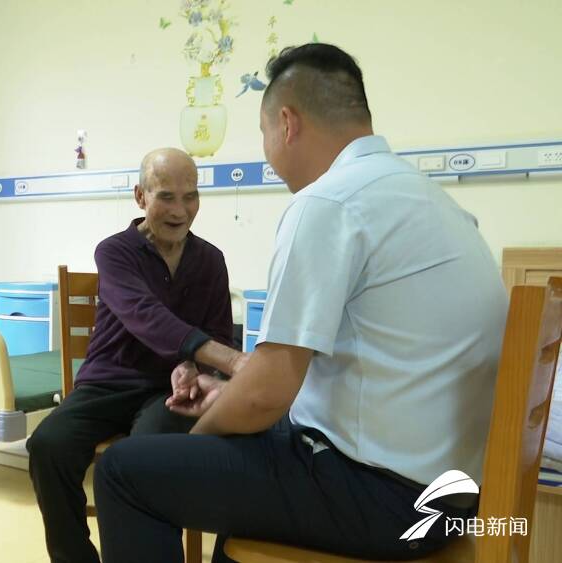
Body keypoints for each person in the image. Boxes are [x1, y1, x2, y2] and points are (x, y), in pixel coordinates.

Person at [93, 43, 508, 563]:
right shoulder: (432, 199)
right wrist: (232, 394)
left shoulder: (328, 202)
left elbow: (268, 393)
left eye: (263, 133)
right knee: (236, 466)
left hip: (384, 499)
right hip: (452, 496)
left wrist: (199, 442)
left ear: (286, 124)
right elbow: (357, 368)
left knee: (124, 473)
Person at [26, 147, 245, 563]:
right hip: (107, 383)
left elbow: (219, 332)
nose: (180, 210)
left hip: (169, 391)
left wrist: (192, 366)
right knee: (47, 445)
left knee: (144, 459)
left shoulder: (210, 260)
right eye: (166, 196)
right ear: (140, 196)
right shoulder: (114, 251)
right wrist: (231, 361)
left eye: (191, 196)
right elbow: (145, 315)